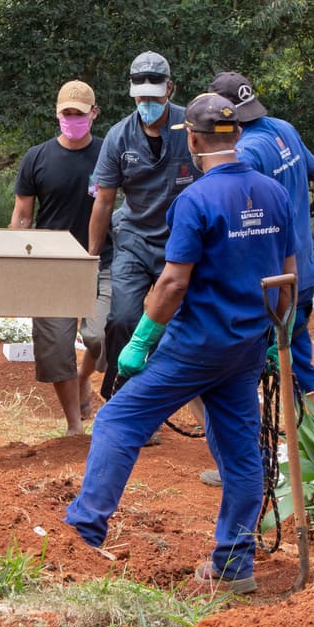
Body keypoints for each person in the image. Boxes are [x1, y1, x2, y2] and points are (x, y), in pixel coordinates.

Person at [64, 93, 296, 594]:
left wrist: (141, 339)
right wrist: (279, 338)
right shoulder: (274, 195)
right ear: (236, 136)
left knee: (117, 421)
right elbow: (288, 276)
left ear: (191, 140)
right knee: (240, 455)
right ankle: (235, 566)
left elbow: (172, 284)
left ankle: (81, 536)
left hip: (196, 345)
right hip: (246, 347)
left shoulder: (195, 199)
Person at [209, 71, 314, 410]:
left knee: (273, 367)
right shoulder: (283, 128)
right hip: (302, 269)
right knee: (298, 361)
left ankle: (310, 444)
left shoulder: (245, 153)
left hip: (274, 282)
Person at [88, 51, 197, 401]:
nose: (148, 103)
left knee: (173, 323)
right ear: (132, 93)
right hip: (134, 239)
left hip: (181, 242)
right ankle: (118, 395)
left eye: (155, 96)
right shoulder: (119, 137)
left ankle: (156, 395)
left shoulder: (192, 130)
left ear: (170, 88)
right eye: (141, 97)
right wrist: (92, 258)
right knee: (122, 318)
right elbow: (104, 201)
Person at [10, 80, 111, 435]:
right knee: (55, 347)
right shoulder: (36, 157)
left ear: (93, 114)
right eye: (67, 113)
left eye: (79, 114)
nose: (73, 119)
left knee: (102, 336)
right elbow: (23, 213)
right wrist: (17, 254)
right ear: (57, 114)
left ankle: (85, 377)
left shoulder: (107, 154)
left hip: (102, 260)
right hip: (51, 264)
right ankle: (74, 425)